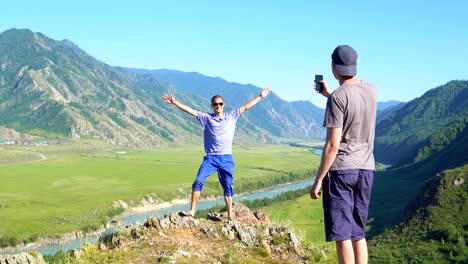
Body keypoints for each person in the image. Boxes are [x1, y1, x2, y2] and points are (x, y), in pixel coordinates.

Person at [310, 45, 377, 264]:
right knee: (359, 232)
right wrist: (330, 95)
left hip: (341, 172)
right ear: (356, 65)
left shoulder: (338, 98)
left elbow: (332, 145)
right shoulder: (371, 91)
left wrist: (319, 180)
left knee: (342, 234)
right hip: (366, 170)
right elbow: (354, 106)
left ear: (333, 67)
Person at [162, 88, 272, 220]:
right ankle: (192, 210)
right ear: (212, 106)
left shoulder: (232, 116)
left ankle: (230, 214)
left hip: (226, 158)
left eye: (220, 103)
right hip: (211, 158)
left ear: (223, 105)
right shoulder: (206, 118)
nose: (218, 106)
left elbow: (246, 106)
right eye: (215, 104)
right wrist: (175, 103)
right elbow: (190, 111)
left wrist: (260, 96)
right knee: (198, 181)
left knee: (227, 185)